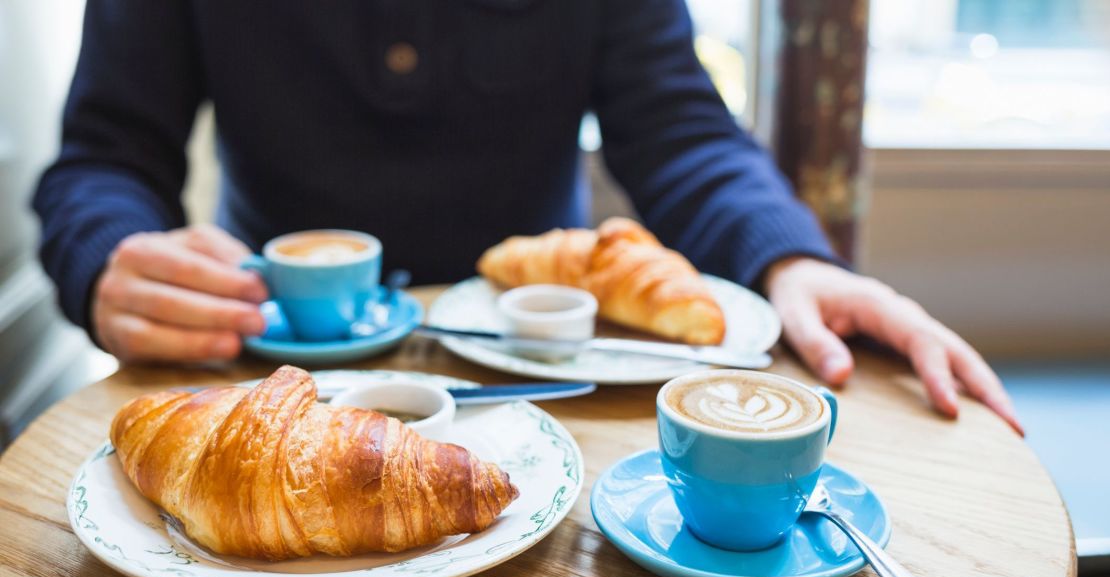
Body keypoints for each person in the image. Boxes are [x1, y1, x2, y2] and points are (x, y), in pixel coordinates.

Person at [33, 0, 1020, 434]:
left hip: (555, 388)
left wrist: (789, 257)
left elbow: (676, 127)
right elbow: (105, 159)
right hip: (272, 373)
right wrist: (111, 255)